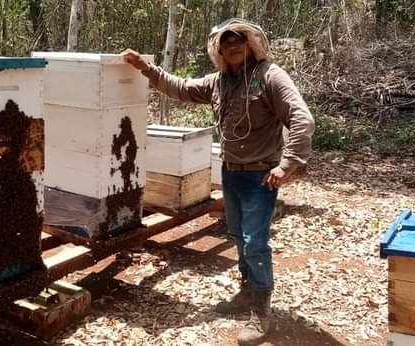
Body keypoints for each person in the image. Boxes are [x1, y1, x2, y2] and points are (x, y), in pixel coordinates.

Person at [122, 18, 315, 345]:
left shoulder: (270, 75)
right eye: (226, 44)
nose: (232, 47)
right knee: (238, 235)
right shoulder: (218, 82)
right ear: (220, 51)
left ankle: (261, 308)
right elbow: (180, 88)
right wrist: (145, 68)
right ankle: (246, 292)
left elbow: (302, 118)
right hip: (231, 172)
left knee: (255, 241)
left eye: (237, 41)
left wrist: (288, 164)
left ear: (249, 43)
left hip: (260, 175)